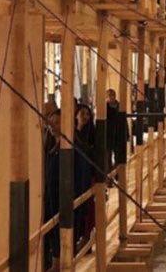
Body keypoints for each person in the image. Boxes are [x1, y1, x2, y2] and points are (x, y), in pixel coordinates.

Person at [74, 105, 95, 250]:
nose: (85, 117)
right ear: (76, 115)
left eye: (87, 114)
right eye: (82, 114)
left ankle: (86, 239)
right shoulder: (72, 134)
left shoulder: (92, 133)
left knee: (87, 208)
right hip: (75, 175)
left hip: (87, 175)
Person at [44, 110, 61, 272]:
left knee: (58, 227)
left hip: (60, 194)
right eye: (51, 123)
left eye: (57, 123)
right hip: (48, 193)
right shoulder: (48, 144)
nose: (53, 127)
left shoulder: (68, 147)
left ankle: (58, 261)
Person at [106, 89, 129, 174]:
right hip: (108, 135)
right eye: (110, 95)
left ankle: (118, 175)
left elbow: (124, 121)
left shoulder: (120, 106)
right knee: (107, 158)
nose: (112, 97)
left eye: (113, 95)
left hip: (118, 134)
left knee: (119, 157)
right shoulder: (105, 107)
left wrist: (126, 134)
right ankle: (109, 176)